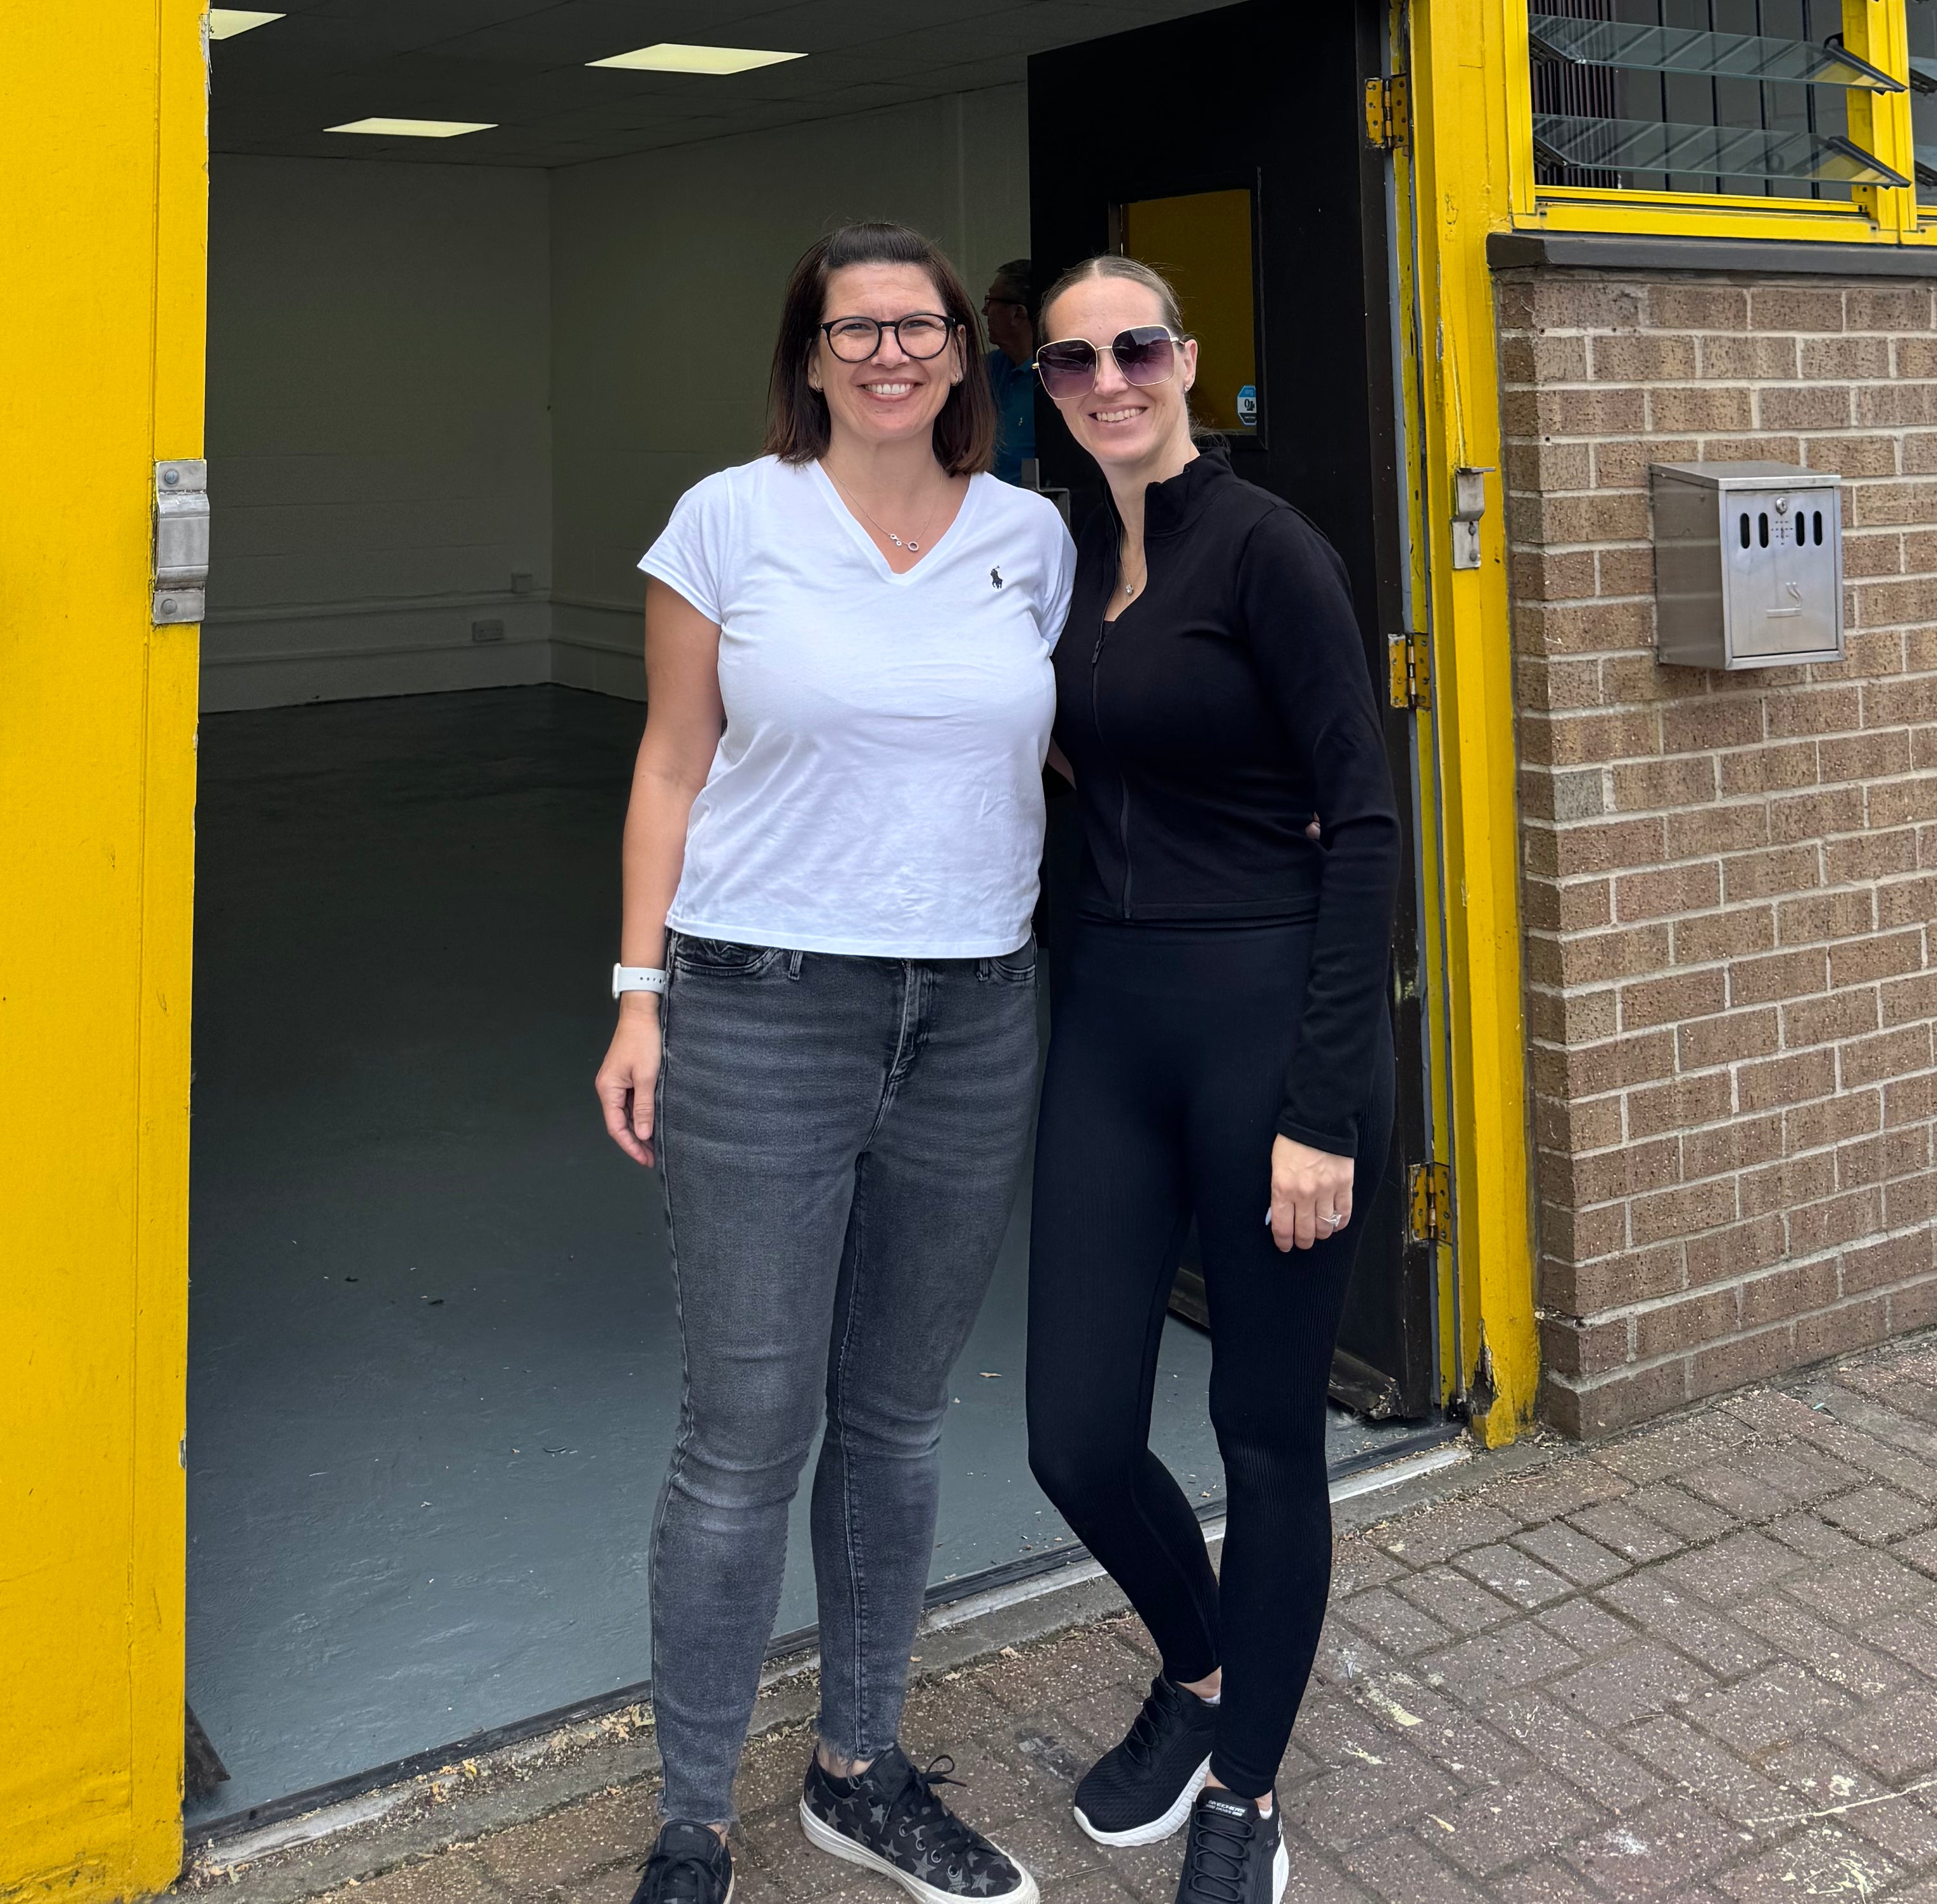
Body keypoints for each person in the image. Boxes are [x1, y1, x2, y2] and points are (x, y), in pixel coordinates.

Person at [595, 220, 1076, 1904]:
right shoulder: (729, 520)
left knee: (893, 1420)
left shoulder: (1029, 535)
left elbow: (1066, 742)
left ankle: (859, 1770)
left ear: (965, 355)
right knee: (742, 1432)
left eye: (921, 327)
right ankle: (689, 1824)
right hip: (760, 1009)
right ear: (807, 356)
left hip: (972, 1018)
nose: (889, 351)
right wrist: (635, 994)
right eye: (854, 327)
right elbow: (669, 762)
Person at [1021, 256, 1399, 1904]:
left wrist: (1323, 1101)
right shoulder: (1050, 558)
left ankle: (1243, 1788)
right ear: (1041, 385)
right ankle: (1199, 1671)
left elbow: (1365, 819)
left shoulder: (1266, 552)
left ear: (1186, 359)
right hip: (1106, 1028)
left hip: (1266, 1036)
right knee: (1072, 1434)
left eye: (1138, 346)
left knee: (1260, 1433)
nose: (1110, 378)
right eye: (1072, 358)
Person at [981, 259, 1038, 482]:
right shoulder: (992, 369)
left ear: (1018, 314)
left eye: (991, 302)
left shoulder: (1054, 379)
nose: (985, 311)